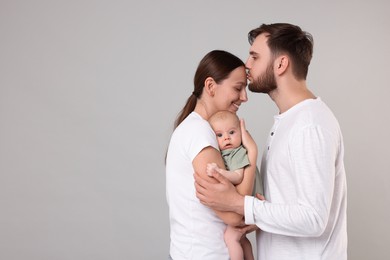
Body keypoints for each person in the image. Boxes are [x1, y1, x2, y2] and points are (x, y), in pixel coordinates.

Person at [194, 23, 348, 260]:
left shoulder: (310, 125)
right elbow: (291, 206)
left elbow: (314, 219)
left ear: (281, 64)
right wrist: (256, 216)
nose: (247, 64)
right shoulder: (289, 121)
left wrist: (240, 204)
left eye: (255, 56)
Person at [165, 50, 258, 259]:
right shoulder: (200, 133)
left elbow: (233, 202)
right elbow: (235, 214)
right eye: (238, 88)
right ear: (210, 86)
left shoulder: (196, 129)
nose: (244, 97)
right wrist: (251, 154)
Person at [207, 110, 263, 260]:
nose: (226, 138)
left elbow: (238, 177)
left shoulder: (236, 152)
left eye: (231, 132)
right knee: (242, 238)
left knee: (231, 238)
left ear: (241, 132)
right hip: (249, 203)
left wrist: (218, 172)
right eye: (219, 135)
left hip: (249, 203)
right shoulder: (225, 153)